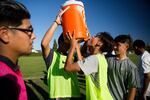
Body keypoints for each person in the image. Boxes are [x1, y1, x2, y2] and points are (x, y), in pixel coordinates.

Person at [41, 9, 80, 100]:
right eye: (67, 43)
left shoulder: (72, 57)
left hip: (74, 94)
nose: (70, 46)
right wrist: (56, 22)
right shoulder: (51, 56)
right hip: (57, 97)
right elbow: (44, 44)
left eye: (70, 44)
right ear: (60, 42)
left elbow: (81, 66)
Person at [0, 0, 36, 100]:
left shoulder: (10, 68)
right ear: (5, 34)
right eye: (29, 30)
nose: (34, 36)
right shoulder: (5, 83)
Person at [64, 32, 114, 100]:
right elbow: (82, 69)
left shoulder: (94, 59)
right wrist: (77, 47)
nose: (92, 36)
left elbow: (68, 67)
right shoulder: (101, 58)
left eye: (96, 36)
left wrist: (72, 46)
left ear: (100, 43)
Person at [107, 35, 139, 100]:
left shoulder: (132, 67)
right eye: (114, 44)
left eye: (118, 45)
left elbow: (132, 89)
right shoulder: (108, 60)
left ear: (126, 46)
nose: (114, 47)